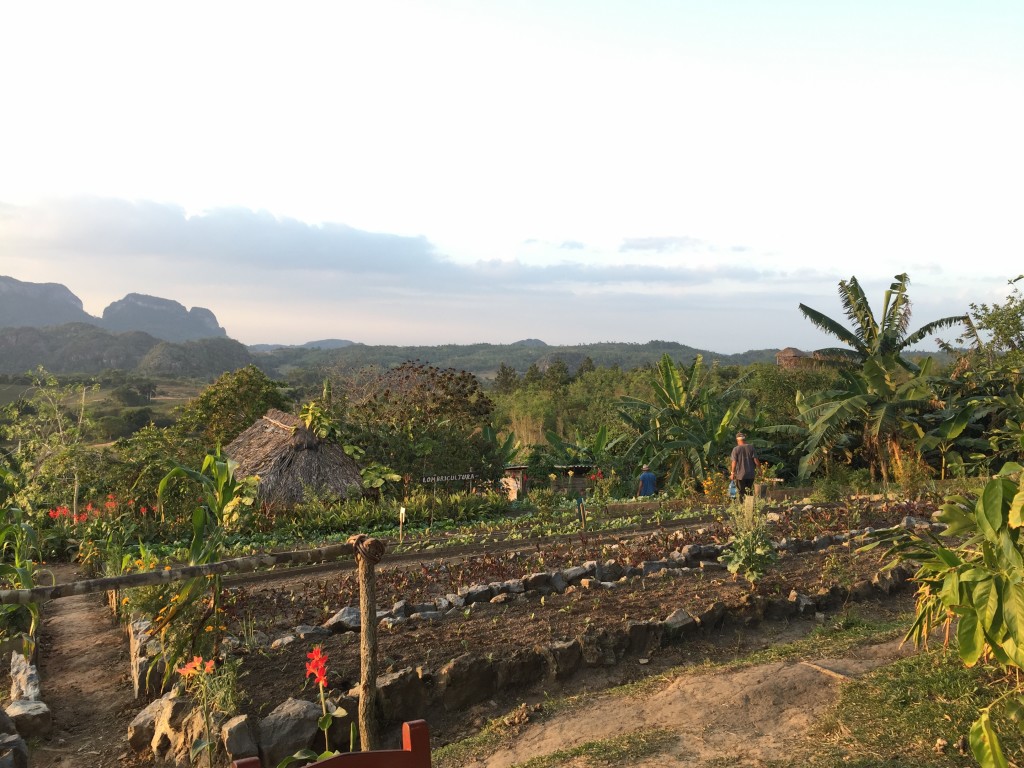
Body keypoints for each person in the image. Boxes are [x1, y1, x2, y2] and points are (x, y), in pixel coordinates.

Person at [730, 432, 760, 502]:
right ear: (744, 439)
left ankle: (742, 507)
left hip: (740, 475)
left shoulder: (736, 449)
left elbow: (734, 462)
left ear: (737, 440)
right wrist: (760, 470)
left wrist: (732, 473)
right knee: (749, 491)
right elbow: (756, 460)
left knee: (741, 492)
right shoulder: (751, 447)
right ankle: (750, 507)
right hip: (750, 475)